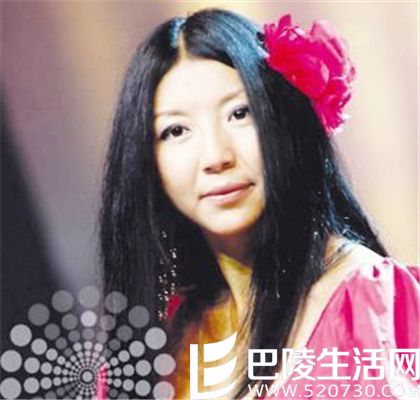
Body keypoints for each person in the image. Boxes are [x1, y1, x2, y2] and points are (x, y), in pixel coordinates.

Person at [99, 8, 419, 399]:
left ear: (281, 120)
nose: (216, 156)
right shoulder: (159, 339)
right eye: (176, 130)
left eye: (240, 113)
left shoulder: (364, 302)